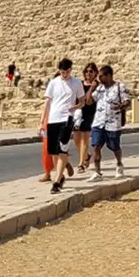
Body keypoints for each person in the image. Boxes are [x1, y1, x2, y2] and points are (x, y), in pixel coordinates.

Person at [40, 59, 82, 194]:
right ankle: (61, 176)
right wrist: (42, 122)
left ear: (71, 69)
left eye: (67, 71)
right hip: (53, 119)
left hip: (67, 119)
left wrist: (73, 108)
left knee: (63, 149)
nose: (65, 74)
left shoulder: (76, 83)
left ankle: (56, 182)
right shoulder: (53, 83)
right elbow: (47, 102)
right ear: (59, 71)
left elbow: (82, 102)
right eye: (63, 72)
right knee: (53, 151)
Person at [86, 65, 125, 180]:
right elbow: (88, 102)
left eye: (101, 76)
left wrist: (121, 106)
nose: (99, 79)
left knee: (114, 147)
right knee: (96, 146)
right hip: (98, 122)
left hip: (113, 123)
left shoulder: (119, 87)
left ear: (108, 76)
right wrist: (92, 88)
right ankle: (98, 172)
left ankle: (119, 164)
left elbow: (127, 101)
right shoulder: (99, 88)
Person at [74, 63, 98, 172]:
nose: (88, 73)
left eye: (91, 71)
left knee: (85, 138)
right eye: (87, 71)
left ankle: (81, 164)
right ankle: (86, 156)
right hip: (78, 112)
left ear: (95, 73)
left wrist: (92, 88)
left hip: (90, 113)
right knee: (76, 140)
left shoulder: (97, 85)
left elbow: (88, 101)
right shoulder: (79, 83)